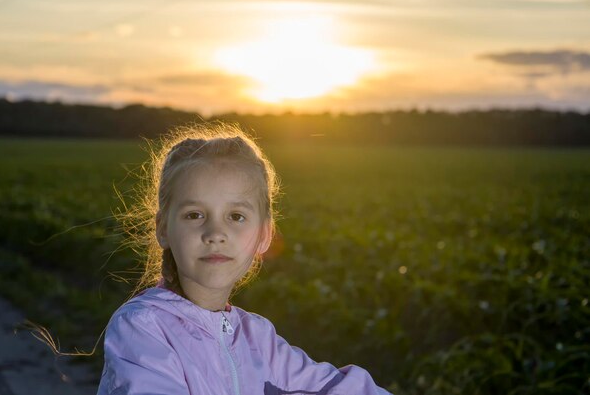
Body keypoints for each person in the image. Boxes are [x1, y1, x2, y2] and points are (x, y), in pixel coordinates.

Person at [97, 122, 392, 395]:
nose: (216, 232)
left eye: (236, 216)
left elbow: (335, 388)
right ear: (163, 229)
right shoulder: (142, 327)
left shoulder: (257, 338)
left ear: (264, 235)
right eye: (195, 215)